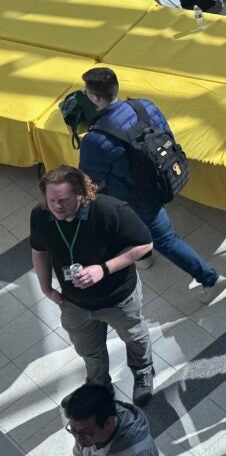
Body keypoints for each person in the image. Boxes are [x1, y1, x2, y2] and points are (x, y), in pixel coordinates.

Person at [78, 67, 226, 305]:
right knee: (145, 229)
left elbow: (88, 180)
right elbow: (167, 136)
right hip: (165, 179)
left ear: (94, 97)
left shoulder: (96, 140)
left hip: (137, 199)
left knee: (166, 240)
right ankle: (144, 253)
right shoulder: (145, 106)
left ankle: (210, 278)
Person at [30, 166, 154, 405]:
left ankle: (142, 371)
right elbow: (39, 251)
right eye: (51, 199)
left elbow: (144, 244)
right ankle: (99, 385)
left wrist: (103, 268)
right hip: (74, 303)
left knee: (134, 337)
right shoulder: (41, 215)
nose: (56, 206)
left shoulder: (111, 211)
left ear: (81, 194)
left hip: (118, 298)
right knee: (87, 349)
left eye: (63, 200)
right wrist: (46, 289)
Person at [62, 383, 157, 456]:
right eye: (73, 430)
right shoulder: (83, 427)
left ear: (108, 423)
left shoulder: (140, 452)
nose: (78, 440)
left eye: (86, 433)